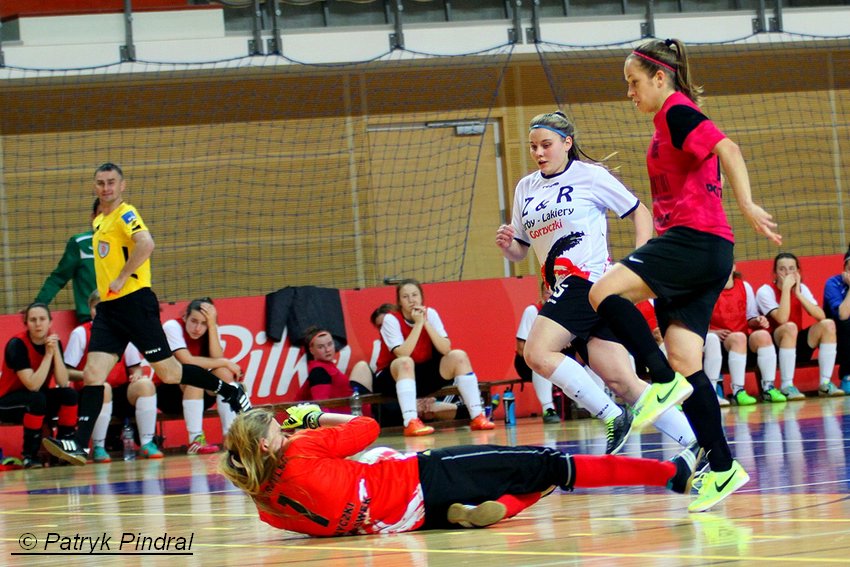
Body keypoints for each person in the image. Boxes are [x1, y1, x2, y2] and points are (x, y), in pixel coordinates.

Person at [587, 38, 782, 512]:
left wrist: (747, 204)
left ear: (660, 78)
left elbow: (729, 148)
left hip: (695, 243)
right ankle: (721, 467)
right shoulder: (665, 122)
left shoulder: (676, 110)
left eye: (633, 82)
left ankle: (656, 379)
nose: (629, 92)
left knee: (602, 292)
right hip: (705, 251)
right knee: (686, 359)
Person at [495, 111, 696, 454]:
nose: (539, 153)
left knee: (537, 352)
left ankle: (611, 415)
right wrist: (509, 245)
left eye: (546, 145)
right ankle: (700, 444)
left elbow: (639, 211)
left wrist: (639, 260)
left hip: (587, 280)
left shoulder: (590, 176)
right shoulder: (525, 188)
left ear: (567, 143)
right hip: (560, 288)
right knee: (625, 382)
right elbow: (521, 251)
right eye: (533, 147)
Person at [42, 163, 251, 467]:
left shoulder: (126, 213)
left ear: (122, 185)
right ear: (94, 186)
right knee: (92, 375)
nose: (106, 188)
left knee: (170, 373)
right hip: (110, 311)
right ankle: (78, 444)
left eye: (111, 182)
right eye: (100, 182)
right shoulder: (99, 220)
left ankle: (229, 390)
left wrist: (123, 276)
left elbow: (146, 243)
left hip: (135, 303)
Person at [218, 406, 701, 537]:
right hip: (421, 480)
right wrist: (318, 417)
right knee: (551, 465)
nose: (287, 429)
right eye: (279, 429)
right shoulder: (303, 447)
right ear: (266, 443)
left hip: (402, 520)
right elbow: (368, 426)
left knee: (538, 480)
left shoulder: (267, 508)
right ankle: (670, 475)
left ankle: (491, 509)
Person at [373, 279, 495, 436]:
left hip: (422, 374)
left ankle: (478, 416)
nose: (411, 300)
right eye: (406, 297)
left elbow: (445, 348)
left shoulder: (431, 314)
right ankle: (411, 422)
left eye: (414, 295)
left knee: (459, 356)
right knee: (405, 362)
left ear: (421, 298)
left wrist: (425, 323)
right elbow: (403, 353)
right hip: (391, 377)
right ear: (399, 302)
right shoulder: (391, 319)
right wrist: (417, 325)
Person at [64, 290, 162, 462]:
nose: (102, 310)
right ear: (90, 310)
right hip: (90, 395)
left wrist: (137, 376)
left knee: (145, 385)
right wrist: (88, 375)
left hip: (119, 394)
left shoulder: (124, 330)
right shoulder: (80, 333)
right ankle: (99, 447)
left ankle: (147, 443)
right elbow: (66, 372)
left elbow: (136, 368)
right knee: (104, 387)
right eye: (97, 307)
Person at [159, 297, 244, 454]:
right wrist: (225, 362)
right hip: (169, 394)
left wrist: (212, 326)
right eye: (194, 321)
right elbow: (187, 360)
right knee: (195, 375)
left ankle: (231, 436)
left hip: (200, 395)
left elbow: (217, 358)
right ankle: (195, 440)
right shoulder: (172, 326)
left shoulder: (211, 329)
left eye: (204, 323)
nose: (198, 328)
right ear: (185, 316)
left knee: (225, 376)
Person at [0, 303, 78, 468]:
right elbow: (33, 385)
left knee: (69, 394)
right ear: (26, 324)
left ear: (50, 322)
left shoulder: (54, 343)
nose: (38, 324)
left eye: (42, 319)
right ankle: (30, 455)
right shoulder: (17, 345)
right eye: (33, 320)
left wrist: (56, 353)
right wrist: (48, 355)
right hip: (7, 404)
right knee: (36, 398)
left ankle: (65, 448)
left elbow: (63, 382)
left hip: (37, 402)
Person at [755, 252, 843, 399]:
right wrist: (786, 291)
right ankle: (786, 386)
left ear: (798, 272)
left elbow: (820, 315)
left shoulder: (801, 288)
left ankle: (825, 384)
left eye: (791, 269)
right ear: (775, 273)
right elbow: (782, 319)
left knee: (828, 324)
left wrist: (798, 293)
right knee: (790, 327)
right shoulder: (765, 291)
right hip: (774, 346)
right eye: (782, 269)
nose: (787, 273)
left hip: (797, 344)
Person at [369, 304, 458, 425]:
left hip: (430, 396)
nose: (385, 328)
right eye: (380, 326)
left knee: (449, 406)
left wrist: (429, 397)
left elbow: (434, 372)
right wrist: (413, 402)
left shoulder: (425, 335)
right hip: (400, 403)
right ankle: (412, 419)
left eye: (388, 323)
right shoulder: (382, 353)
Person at [703, 266, 774, 407]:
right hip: (717, 341)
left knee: (763, 335)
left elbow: (750, 318)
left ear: (734, 267)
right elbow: (697, 319)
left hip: (741, 338)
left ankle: (769, 388)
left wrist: (758, 320)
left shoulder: (744, 286)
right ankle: (738, 390)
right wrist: (711, 332)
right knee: (738, 338)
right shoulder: (706, 289)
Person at [34, 198, 100, 324]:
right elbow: (58, 278)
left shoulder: (125, 244)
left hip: (120, 317)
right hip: (89, 319)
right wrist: (38, 305)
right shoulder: (80, 244)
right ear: (93, 217)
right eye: (101, 214)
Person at [515, 281, 561, 424]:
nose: (551, 295)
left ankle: (589, 408)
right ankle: (548, 408)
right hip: (526, 363)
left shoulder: (568, 312)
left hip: (560, 358)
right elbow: (521, 347)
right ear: (542, 294)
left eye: (555, 292)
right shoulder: (532, 311)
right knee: (540, 359)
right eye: (548, 292)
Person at [303, 325, 373, 403]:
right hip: (350, 412)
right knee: (362, 366)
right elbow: (322, 406)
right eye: (321, 347)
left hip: (353, 408)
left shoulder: (325, 367)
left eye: (330, 344)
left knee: (362, 366)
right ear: (311, 350)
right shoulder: (319, 371)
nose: (327, 350)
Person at [823, 247, 850, 393]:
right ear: (844, 268)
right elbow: (843, 315)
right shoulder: (833, 283)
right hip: (838, 339)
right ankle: (847, 377)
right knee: (847, 323)